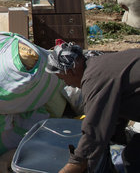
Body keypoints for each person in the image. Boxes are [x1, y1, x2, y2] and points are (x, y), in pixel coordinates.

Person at [46, 43, 140, 173]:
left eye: (62, 78)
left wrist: (76, 162)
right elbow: (114, 110)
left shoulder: (94, 80)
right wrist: (116, 137)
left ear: (70, 71)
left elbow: (94, 130)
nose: (66, 84)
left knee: (134, 157)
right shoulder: (100, 64)